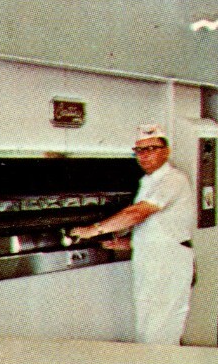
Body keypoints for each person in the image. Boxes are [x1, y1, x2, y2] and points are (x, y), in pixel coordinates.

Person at [69, 124, 195, 345]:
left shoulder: (173, 179)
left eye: (151, 149)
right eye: (139, 150)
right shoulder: (148, 181)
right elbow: (159, 225)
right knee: (149, 325)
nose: (144, 155)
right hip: (153, 259)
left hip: (168, 262)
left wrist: (93, 229)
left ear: (166, 152)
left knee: (160, 329)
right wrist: (130, 242)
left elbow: (137, 213)